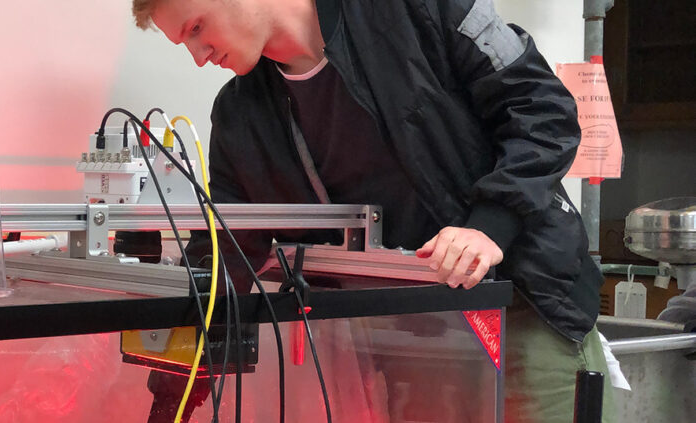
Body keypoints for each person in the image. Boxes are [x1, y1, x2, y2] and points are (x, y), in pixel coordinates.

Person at [130, 0, 614, 421]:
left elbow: (543, 109)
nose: (198, 57)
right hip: (400, 345)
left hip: (521, 313)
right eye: (183, 44)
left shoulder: (415, 10)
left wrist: (490, 225)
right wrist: (170, 399)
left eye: (196, 28)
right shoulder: (240, 116)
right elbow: (223, 258)